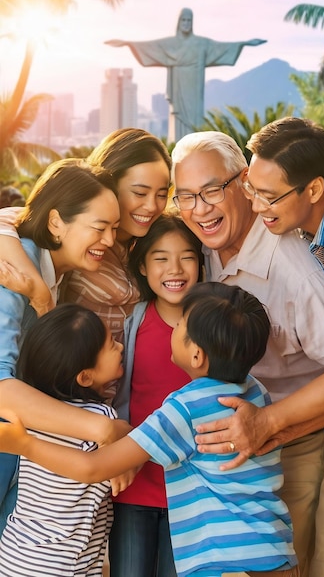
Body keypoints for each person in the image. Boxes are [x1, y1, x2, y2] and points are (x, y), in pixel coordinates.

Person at [0, 282, 299, 577]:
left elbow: (92, 467)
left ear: (196, 355)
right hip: (273, 549)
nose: (174, 327)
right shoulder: (256, 393)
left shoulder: (185, 408)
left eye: (180, 323)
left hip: (222, 558)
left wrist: (26, 445)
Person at [170, 130, 324, 577]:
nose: (199, 208)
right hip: (226, 449)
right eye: (185, 196)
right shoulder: (197, 248)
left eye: (211, 190)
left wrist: (272, 427)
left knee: (288, 564)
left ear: (243, 183)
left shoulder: (295, 270)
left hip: (294, 440)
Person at [0, 158, 131, 535]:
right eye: (100, 227)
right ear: (56, 222)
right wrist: (103, 431)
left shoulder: (54, 276)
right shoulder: (17, 268)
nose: (108, 240)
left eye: (114, 229)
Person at [0, 128, 172, 341]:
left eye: (162, 194)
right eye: (140, 193)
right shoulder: (73, 236)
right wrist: (38, 291)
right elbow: (12, 221)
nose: (151, 206)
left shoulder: (155, 237)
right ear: (109, 185)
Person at [0, 303, 124, 577]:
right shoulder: (102, 416)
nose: (120, 347)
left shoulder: (32, 418)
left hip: (16, 553)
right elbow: (119, 462)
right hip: (64, 563)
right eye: (111, 344)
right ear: (85, 376)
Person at [110, 213, 203, 577]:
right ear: (144, 267)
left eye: (187, 256)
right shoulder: (132, 320)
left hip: (190, 491)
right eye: (161, 258)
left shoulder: (209, 327)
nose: (175, 268)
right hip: (135, 484)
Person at [106, 8, 266, 142]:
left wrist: (243, 44)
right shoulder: (170, 43)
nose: (186, 24)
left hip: (194, 88)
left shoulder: (201, 43)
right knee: (178, 120)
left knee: (195, 122)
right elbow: (151, 47)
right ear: (179, 22)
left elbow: (220, 48)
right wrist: (129, 43)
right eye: (183, 20)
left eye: (189, 20)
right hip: (178, 86)